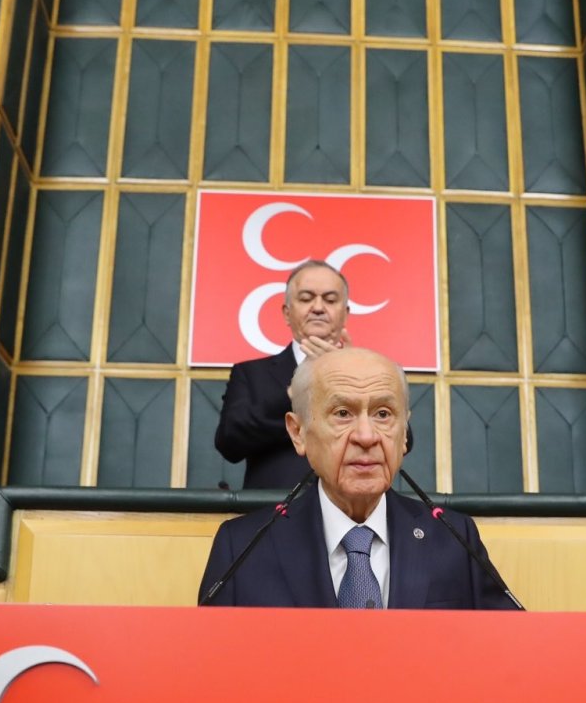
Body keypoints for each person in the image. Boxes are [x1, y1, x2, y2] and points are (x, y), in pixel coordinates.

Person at [200, 347, 518, 609]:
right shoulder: (241, 548)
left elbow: (504, 653)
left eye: (383, 414)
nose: (367, 436)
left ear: (403, 433)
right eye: (342, 413)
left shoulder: (454, 539)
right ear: (298, 433)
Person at [215, 259, 351, 488]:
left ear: (345, 313)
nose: (318, 307)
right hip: (274, 515)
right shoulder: (251, 374)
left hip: (353, 514)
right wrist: (294, 392)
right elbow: (230, 442)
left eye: (330, 299)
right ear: (287, 313)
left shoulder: (374, 371)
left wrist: (353, 373)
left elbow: (403, 438)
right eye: (306, 298)